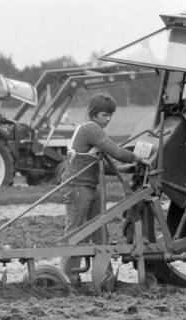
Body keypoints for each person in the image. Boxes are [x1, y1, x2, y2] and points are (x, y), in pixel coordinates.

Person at [60, 93, 145, 285]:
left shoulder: (92, 130)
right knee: (75, 234)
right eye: (105, 115)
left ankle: (105, 277)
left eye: (110, 116)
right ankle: (67, 278)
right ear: (94, 114)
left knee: (101, 231)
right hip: (77, 187)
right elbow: (114, 151)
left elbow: (99, 165)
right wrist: (138, 157)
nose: (108, 120)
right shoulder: (92, 129)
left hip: (90, 186)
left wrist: (125, 169)